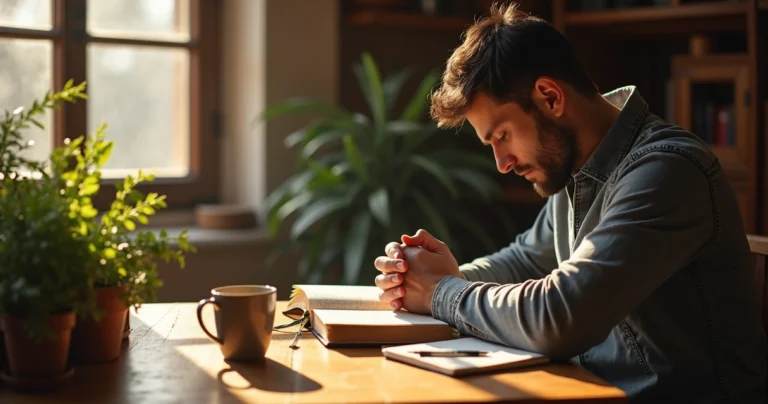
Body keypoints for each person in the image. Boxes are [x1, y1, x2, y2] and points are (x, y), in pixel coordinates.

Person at [372, 2, 767, 403]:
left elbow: (561, 316)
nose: (503, 164)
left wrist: (442, 292)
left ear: (549, 97)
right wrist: (422, 277)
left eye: (503, 135)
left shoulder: (667, 171)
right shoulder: (577, 167)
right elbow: (524, 261)